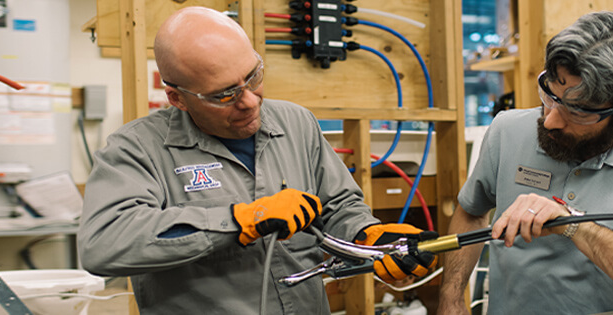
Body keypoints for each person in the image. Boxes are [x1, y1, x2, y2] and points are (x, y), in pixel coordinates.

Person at [78, 7, 434, 314]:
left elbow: (338, 206)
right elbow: (104, 245)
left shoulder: (297, 123)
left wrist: (368, 236)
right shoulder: (137, 149)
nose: (249, 101)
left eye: (253, 77)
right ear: (178, 98)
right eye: (224, 95)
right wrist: (239, 219)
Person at [438, 11, 613, 315]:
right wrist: (451, 295)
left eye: (578, 112)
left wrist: (575, 225)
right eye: (549, 94)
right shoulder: (508, 130)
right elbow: (471, 211)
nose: (549, 121)